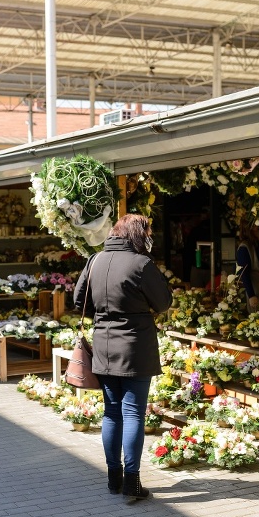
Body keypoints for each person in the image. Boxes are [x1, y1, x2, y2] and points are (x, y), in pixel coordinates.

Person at [73, 214, 173, 502]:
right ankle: (132, 481)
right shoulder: (141, 264)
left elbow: (79, 302)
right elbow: (164, 302)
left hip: (103, 346)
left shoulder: (95, 261)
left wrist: (104, 317)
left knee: (112, 413)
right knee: (133, 414)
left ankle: (113, 477)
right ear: (138, 235)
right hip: (135, 346)